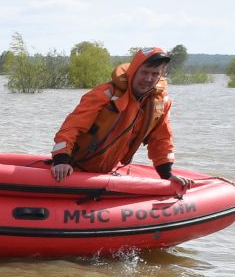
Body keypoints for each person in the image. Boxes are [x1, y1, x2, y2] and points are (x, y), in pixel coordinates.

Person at [50, 46, 177, 184]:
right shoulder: (104, 94)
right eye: (144, 72)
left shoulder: (160, 103)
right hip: (74, 167)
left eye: (155, 74)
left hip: (106, 172)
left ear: (161, 74)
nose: (148, 78)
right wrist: (61, 161)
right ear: (133, 70)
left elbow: (162, 140)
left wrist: (167, 175)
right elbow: (71, 127)